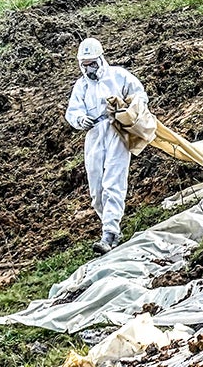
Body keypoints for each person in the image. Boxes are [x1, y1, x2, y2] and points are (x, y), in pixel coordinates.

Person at [65, 37, 148, 254]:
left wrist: (127, 110)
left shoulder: (118, 76)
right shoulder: (81, 86)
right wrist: (80, 119)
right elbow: (72, 112)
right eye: (84, 65)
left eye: (92, 63)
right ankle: (109, 223)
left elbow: (140, 95)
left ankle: (110, 232)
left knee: (113, 181)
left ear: (101, 59)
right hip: (94, 136)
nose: (89, 69)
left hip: (116, 132)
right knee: (97, 191)